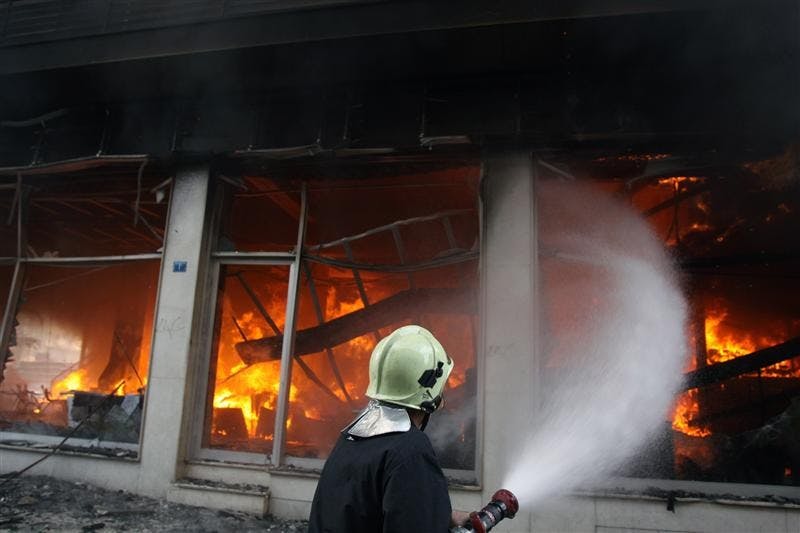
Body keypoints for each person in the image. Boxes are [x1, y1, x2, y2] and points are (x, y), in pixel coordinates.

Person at [308, 325, 467, 533]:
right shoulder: (410, 450)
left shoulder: (351, 437)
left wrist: (439, 515)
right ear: (430, 396)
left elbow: (362, 513)